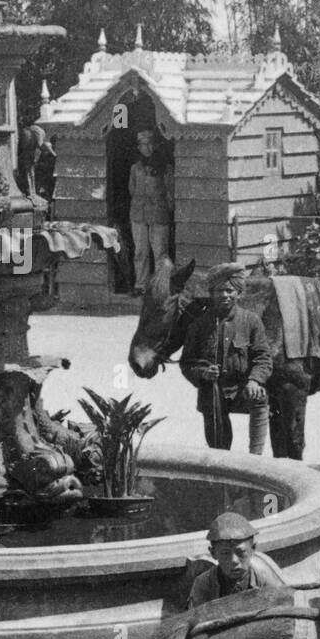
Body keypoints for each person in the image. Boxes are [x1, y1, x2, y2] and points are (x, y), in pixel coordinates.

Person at [180, 265, 272, 454]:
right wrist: (203, 373)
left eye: (229, 290)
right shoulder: (200, 324)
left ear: (238, 293)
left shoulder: (251, 321)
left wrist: (254, 380)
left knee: (260, 397)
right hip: (212, 391)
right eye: (219, 291)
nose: (224, 295)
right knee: (218, 450)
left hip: (242, 388)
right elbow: (186, 362)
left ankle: (255, 458)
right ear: (212, 293)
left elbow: (263, 357)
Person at [187, 512, 287, 607]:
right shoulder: (204, 584)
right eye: (225, 553)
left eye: (241, 552)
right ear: (213, 553)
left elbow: (282, 612)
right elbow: (195, 620)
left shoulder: (264, 578)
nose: (234, 560)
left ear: (253, 548)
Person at [129, 129, 174, 296]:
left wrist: (167, 211)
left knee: (160, 252)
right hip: (138, 214)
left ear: (155, 145)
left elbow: (170, 192)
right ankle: (140, 285)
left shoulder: (165, 168)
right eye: (142, 145)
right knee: (140, 251)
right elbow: (131, 189)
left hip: (158, 213)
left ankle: (160, 287)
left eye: (149, 144)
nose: (145, 148)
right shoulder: (135, 168)